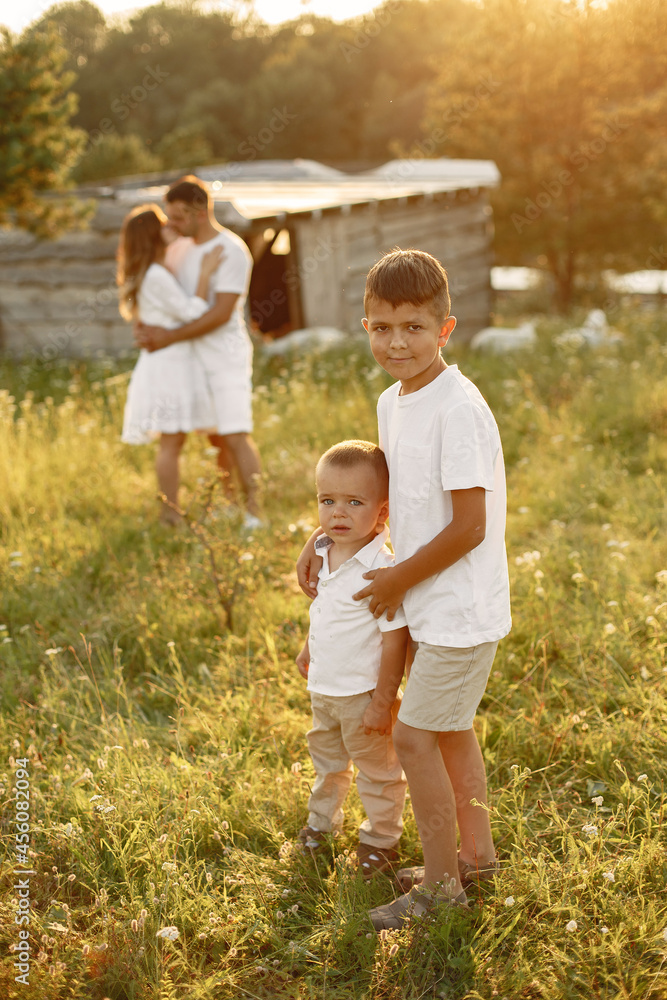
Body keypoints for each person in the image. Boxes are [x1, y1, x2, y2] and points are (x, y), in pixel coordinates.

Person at [297, 249, 511, 929]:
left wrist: (395, 578)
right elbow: (378, 497)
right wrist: (323, 538)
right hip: (423, 601)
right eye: (383, 327)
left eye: (414, 328)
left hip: (457, 607)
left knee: (415, 737)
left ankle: (441, 887)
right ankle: (476, 858)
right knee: (449, 735)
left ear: (445, 328)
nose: (397, 343)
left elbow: (470, 525)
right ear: (364, 326)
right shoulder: (393, 401)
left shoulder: (458, 408)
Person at [295, 440, 409, 879]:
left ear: (382, 512)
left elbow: (394, 638)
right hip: (323, 690)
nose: (337, 514)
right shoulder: (324, 553)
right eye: (328, 501)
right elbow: (326, 610)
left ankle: (381, 840)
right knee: (327, 764)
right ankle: (320, 826)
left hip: (362, 695)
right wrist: (310, 648)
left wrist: (384, 700)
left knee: (378, 772)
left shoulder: (379, 569)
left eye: (354, 502)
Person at [134, 176, 263, 530]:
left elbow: (220, 314)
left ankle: (255, 512)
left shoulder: (231, 250)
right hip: (190, 358)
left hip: (225, 356)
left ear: (199, 212)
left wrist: (168, 337)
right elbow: (167, 295)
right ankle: (228, 501)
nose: (171, 225)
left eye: (177, 217)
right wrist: (143, 325)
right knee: (215, 435)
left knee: (236, 434)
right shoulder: (180, 248)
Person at [118, 204, 224, 525]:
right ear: (154, 233)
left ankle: (173, 509)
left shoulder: (152, 271)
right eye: (164, 223)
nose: (170, 226)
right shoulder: (156, 274)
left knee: (173, 441)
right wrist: (205, 274)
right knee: (171, 442)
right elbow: (193, 311)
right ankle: (170, 513)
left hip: (166, 364)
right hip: (169, 368)